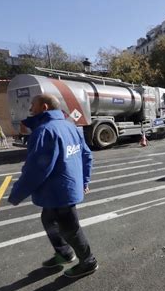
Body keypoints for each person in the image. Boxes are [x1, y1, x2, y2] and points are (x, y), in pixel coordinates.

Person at [8, 94, 98, 278]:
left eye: (33, 105)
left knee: (70, 228)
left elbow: (36, 169)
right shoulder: (69, 126)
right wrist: (84, 180)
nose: (30, 109)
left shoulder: (44, 131)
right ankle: (64, 252)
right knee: (48, 220)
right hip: (63, 189)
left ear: (44, 107)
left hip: (59, 192)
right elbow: (86, 155)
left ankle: (88, 261)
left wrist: (16, 194)